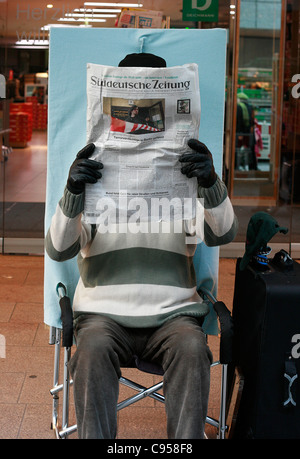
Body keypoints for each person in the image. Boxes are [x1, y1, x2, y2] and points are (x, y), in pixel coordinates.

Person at [45, 52, 238, 439]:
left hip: (173, 316)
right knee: (92, 349)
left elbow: (223, 233)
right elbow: (58, 249)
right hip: (103, 316)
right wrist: (72, 192)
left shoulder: (186, 178)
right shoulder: (91, 176)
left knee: (191, 349)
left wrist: (210, 182)